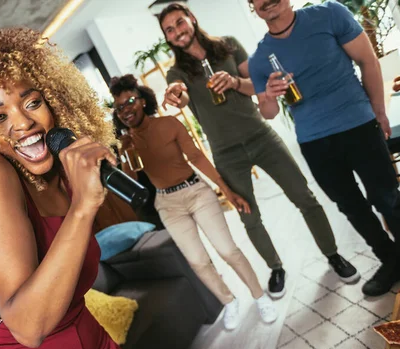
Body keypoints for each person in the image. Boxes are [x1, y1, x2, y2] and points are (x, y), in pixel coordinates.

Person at [0, 28, 163, 349]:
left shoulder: (63, 172)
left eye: (32, 102)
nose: (22, 123)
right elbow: (28, 327)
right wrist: (84, 206)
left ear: (54, 100)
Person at [159, 3, 359, 299]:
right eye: (169, 30)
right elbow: (182, 94)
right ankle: (276, 268)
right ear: (167, 37)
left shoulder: (227, 46)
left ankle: (333, 255)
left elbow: (258, 86)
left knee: (304, 197)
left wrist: (236, 82)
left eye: (179, 22)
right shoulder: (176, 72)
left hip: (261, 137)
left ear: (192, 19)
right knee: (249, 217)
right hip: (226, 153)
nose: (177, 31)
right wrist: (176, 94)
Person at [247, 0, 400, 297]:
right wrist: (267, 96)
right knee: (351, 207)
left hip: (359, 125)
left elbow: (368, 61)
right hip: (315, 142)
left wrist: (379, 112)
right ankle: (391, 260)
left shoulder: (330, 14)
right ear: (252, 6)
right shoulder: (260, 59)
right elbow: (268, 113)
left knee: (387, 197)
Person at [110, 74, 278, 330]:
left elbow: (197, 158)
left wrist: (226, 190)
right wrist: (124, 151)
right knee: (198, 261)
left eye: (130, 101)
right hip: (167, 204)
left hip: (196, 192)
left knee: (227, 250)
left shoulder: (169, 125)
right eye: (119, 106)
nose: (126, 109)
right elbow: (133, 179)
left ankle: (259, 296)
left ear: (143, 101)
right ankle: (229, 301)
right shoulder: (128, 143)